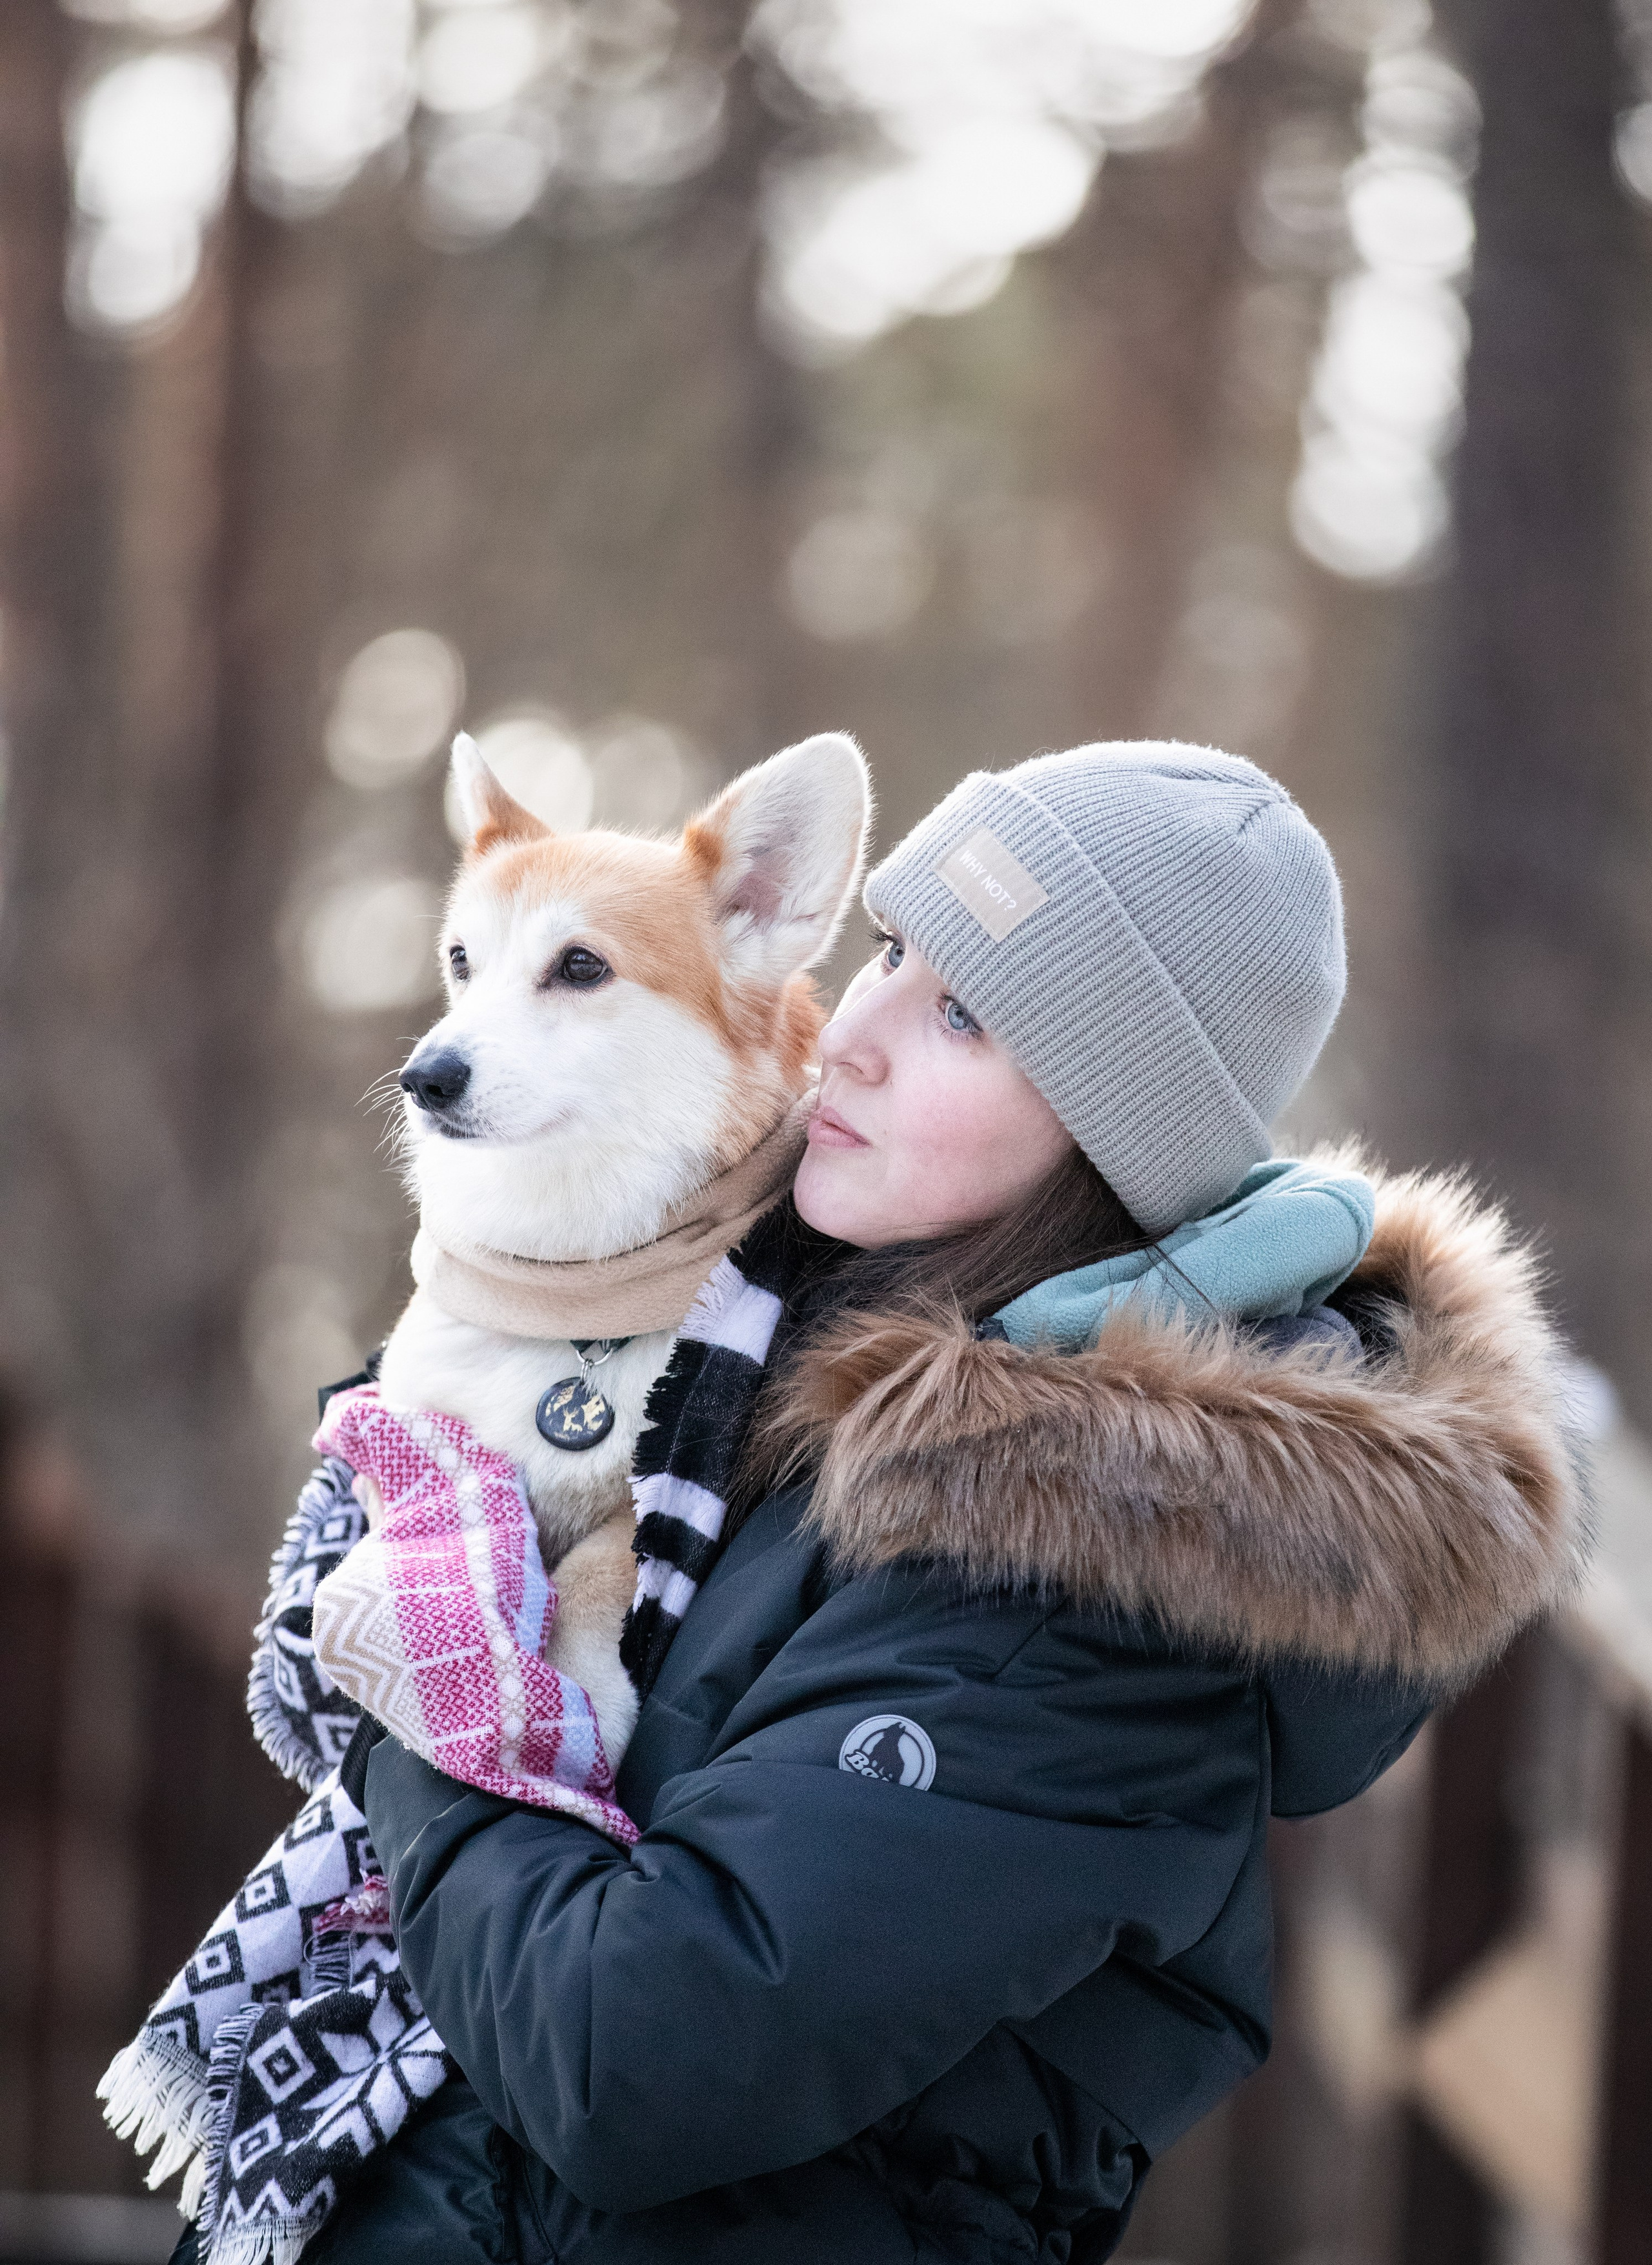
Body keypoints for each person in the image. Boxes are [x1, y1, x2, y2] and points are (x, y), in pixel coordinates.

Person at [296, 745, 1582, 2264]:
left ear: (1118, 1130)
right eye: (892, 951)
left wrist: (434, 1683)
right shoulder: (773, 1357)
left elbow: (630, 2061)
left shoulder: (1092, 1563)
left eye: (964, 1013)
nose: (847, 1032)